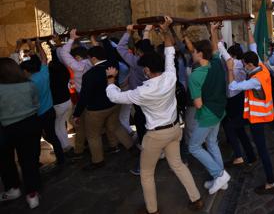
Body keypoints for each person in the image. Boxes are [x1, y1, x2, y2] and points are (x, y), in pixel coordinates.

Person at [105, 16, 203, 213]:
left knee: (147, 174)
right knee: (178, 165)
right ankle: (196, 198)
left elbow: (114, 96)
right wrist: (165, 29)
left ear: (147, 70)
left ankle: (152, 210)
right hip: (174, 129)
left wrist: (110, 79)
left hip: (156, 135)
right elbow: (169, 50)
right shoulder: (170, 77)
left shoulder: (142, 92)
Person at [226, 23, 274, 195]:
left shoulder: (256, 79)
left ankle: (271, 182)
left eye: (244, 64)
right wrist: (248, 29)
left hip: (258, 118)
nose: (243, 66)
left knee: (263, 150)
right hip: (253, 116)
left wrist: (230, 69)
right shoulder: (260, 66)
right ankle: (248, 156)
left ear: (248, 65)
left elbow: (233, 86)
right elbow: (253, 46)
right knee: (232, 126)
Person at [72, 45, 135, 170]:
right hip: (114, 103)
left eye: (90, 58)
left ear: (94, 58)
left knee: (93, 135)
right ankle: (132, 148)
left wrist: (77, 114)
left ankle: (98, 161)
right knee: (115, 126)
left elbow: (84, 97)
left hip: (96, 109)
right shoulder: (113, 64)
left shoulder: (89, 75)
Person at [186, 22, 230, 195]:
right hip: (220, 111)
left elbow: (197, 104)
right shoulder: (217, 63)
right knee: (212, 143)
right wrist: (212, 31)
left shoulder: (195, 75)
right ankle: (221, 180)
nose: (193, 53)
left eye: (194, 51)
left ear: (200, 53)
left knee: (194, 147)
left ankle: (219, 174)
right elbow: (215, 48)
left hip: (207, 114)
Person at [0, 58, 42, 208]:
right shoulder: (29, 85)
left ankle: (13, 189)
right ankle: (32, 195)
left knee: (6, 161)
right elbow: (36, 104)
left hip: (5, 128)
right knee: (29, 161)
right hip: (30, 124)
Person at [20, 41, 66, 166]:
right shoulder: (44, 73)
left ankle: (35, 162)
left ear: (27, 71)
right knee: (52, 135)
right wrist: (37, 45)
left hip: (37, 114)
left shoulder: (28, 83)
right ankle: (61, 158)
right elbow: (45, 58)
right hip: (49, 110)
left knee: (35, 140)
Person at [117, 25, 155, 174]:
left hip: (140, 100)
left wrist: (127, 33)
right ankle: (159, 152)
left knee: (143, 129)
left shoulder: (136, 61)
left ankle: (144, 164)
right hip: (152, 99)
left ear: (139, 52)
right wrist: (145, 33)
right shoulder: (157, 60)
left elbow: (120, 48)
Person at [218, 42, 256, 168]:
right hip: (239, 99)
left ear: (232, 55)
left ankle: (239, 156)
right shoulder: (241, 65)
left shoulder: (234, 64)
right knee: (239, 130)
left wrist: (213, 32)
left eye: (229, 55)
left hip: (235, 99)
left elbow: (222, 51)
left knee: (230, 127)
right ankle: (250, 156)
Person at [56, 31, 93, 159]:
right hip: (92, 96)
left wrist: (70, 39)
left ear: (77, 58)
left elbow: (63, 54)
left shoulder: (78, 66)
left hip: (83, 98)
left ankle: (81, 149)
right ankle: (83, 145)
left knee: (79, 122)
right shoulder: (91, 62)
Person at [48, 46, 72, 152]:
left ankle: (60, 147)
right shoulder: (64, 71)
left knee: (56, 127)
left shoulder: (51, 79)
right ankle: (66, 145)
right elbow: (56, 61)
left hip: (58, 104)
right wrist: (53, 50)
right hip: (67, 101)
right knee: (61, 125)